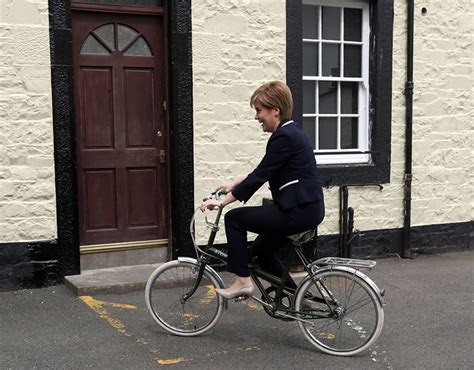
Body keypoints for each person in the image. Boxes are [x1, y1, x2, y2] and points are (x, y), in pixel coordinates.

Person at [200, 80, 325, 299]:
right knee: (261, 251)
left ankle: (242, 281)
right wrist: (234, 184)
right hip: (304, 209)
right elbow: (267, 169)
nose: (256, 116)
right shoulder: (290, 132)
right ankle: (298, 299)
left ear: (275, 110)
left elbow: (260, 175)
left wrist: (222, 202)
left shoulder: (284, 136)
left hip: (297, 211)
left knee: (234, 219)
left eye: (259, 110)